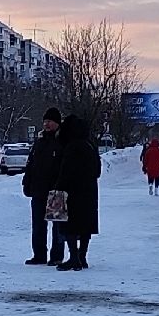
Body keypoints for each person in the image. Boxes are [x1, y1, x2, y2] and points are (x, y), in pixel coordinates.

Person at [55, 115, 103, 271]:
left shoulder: (71, 146)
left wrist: (58, 187)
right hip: (89, 190)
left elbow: (65, 172)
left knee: (70, 225)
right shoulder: (90, 145)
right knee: (85, 225)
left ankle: (74, 258)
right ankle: (82, 256)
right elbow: (97, 171)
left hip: (72, 192)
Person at [23, 107, 66, 266]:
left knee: (57, 227)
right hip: (38, 190)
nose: (47, 124)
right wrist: (27, 183)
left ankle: (56, 256)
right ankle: (39, 255)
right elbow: (31, 165)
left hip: (56, 190)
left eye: (50, 121)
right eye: (45, 121)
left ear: (57, 123)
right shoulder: (39, 142)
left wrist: (61, 184)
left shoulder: (62, 142)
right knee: (38, 225)